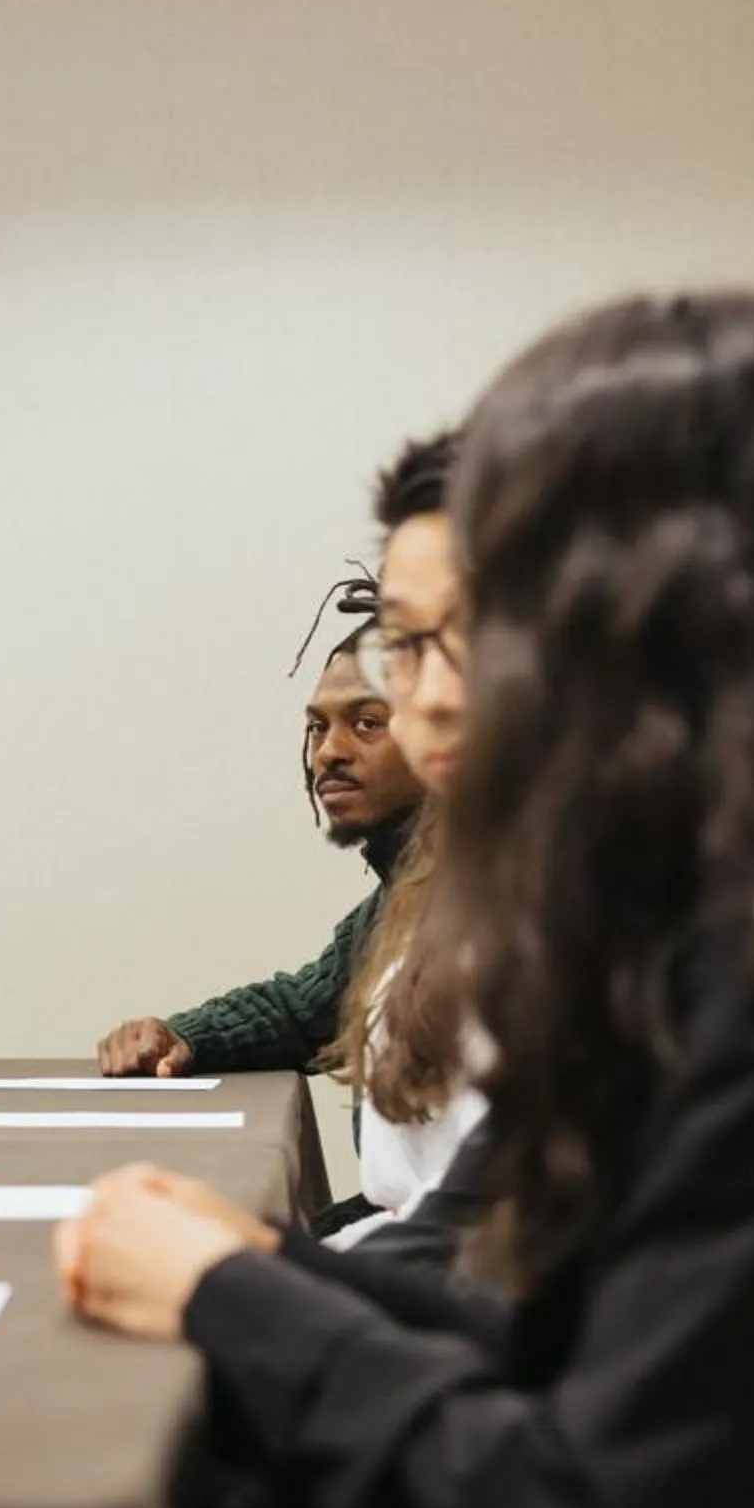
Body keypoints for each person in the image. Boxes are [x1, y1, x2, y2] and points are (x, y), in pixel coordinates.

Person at [60, 292, 754, 1508]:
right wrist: (264, 1275)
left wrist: (236, 1298)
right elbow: (561, 1335)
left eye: (456, 640)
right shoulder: (696, 919)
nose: (420, 710)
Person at [96, 581, 428, 1078]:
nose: (328, 752)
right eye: (318, 727)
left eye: (366, 722)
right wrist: (180, 1037)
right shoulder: (400, 898)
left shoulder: (503, 894)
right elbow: (298, 1013)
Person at [316, 435, 487, 1246]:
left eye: (471, 639)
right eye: (407, 648)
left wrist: (230, 1276)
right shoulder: (452, 875)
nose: (435, 696)